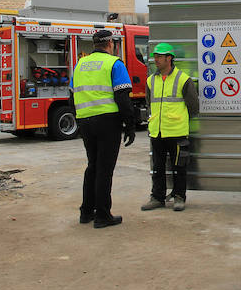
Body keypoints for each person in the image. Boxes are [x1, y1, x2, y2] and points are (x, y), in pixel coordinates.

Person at [71, 29, 135, 229]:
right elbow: (122, 98)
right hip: (108, 121)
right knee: (105, 169)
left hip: (85, 121)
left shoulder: (80, 64)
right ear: (111, 44)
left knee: (93, 166)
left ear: (94, 44)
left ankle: (86, 212)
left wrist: (80, 118)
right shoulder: (114, 63)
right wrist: (130, 126)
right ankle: (103, 215)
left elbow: (71, 95)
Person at [141, 42, 199, 212]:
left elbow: (193, 106)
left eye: (159, 57)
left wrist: (179, 119)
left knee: (179, 167)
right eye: (155, 56)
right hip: (157, 132)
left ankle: (179, 197)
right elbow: (149, 102)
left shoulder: (183, 79)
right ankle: (157, 197)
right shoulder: (151, 80)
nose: (156, 60)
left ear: (169, 58)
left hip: (177, 132)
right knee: (157, 168)